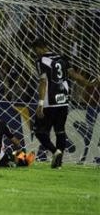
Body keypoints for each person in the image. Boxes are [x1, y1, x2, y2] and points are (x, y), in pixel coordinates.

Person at [32, 38, 100, 169]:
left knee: (39, 131)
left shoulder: (41, 61)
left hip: (49, 102)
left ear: (38, 48)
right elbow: (74, 75)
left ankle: (55, 152)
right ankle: (58, 163)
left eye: (35, 50)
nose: (36, 53)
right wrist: (90, 84)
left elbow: (43, 82)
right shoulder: (62, 58)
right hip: (63, 101)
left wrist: (40, 104)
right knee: (60, 131)